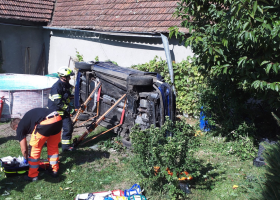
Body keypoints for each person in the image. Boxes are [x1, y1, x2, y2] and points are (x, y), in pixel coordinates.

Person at [10, 108, 62, 182]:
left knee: (34, 148)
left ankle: (32, 175)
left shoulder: (20, 127)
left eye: (16, 130)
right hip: (58, 118)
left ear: (16, 126)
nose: (17, 132)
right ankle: (54, 171)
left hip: (46, 121)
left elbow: (24, 149)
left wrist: (26, 158)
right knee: (53, 147)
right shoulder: (27, 119)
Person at [48, 67, 76, 152]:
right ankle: (45, 143)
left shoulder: (66, 85)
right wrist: (69, 109)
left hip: (64, 112)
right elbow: (58, 102)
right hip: (55, 112)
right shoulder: (56, 87)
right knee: (52, 130)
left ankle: (66, 147)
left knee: (68, 128)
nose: (70, 78)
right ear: (63, 77)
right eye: (68, 76)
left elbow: (67, 96)